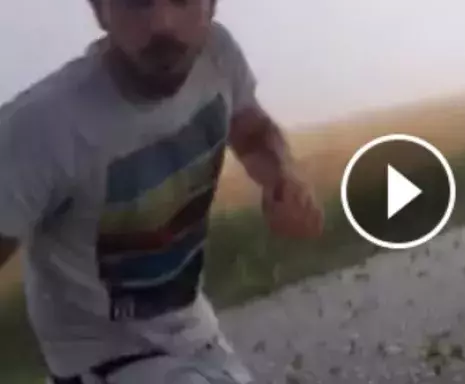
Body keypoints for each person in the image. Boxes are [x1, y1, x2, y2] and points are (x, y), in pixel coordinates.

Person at [0, 0, 325, 383]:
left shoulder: (216, 55)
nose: (162, 24)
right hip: (104, 361)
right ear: (100, 11)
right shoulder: (39, 128)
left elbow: (251, 130)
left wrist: (285, 178)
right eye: (136, 3)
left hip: (198, 336)